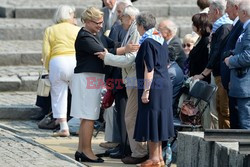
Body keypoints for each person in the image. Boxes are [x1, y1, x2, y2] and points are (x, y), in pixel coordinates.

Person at [95, 6, 149, 164]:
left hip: (133, 78)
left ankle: (138, 152)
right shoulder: (130, 30)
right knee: (129, 116)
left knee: (130, 116)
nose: (120, 18)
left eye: (123, 16)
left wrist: (107, 57)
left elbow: (129, 59)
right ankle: (135, 151)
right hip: (130, 78)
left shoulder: (135, 32)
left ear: (131, 19)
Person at [134, 12, 175, 167]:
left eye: (137, 26)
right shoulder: (160, 40)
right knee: (158, 121)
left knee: (152, 120)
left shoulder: (147, 42)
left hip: (154, 86)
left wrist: (146, 91)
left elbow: (148, 68)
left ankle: (154, 158)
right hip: (164, 84)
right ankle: (158, 158)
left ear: (141, 25)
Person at [70, 7, 105, 163]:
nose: (100, 26)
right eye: (97, 23)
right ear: (88, 22)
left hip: (91, 77)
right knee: (89, 116)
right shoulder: (85, 36)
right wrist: (126, 49)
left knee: (87, 117)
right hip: (87, 77)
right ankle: (87, 151)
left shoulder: (93, 34)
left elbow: (110, 44)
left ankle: (80, 150)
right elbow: (102, 51)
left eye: (102, 22)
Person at [193, 0, 233, 129]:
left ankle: (227, 138)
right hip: (217, 75)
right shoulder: (219, 27)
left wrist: (204, 73)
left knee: (224, 111)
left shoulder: (225, 27)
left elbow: (217, 53)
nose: (208, 14)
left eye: (209, 11)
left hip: (222, 75)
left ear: (216, 12)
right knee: (220, 108)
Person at [42, 5, 80, 137]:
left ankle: (63, 127)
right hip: (75, 61)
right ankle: (81, 125)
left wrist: (47, 67)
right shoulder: (77, 29)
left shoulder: (50, 30)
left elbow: (46, 52)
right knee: (78, 94)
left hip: (57, 61)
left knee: (58, 95)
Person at [224, 0, 250, 129]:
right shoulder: (246, 28)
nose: (237, 13)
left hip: (245, 84)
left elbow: (248, 55)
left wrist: (231, 61)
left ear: (244, 12)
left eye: (239, 10)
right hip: (240, 83)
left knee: (245, 123)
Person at [220, 0, 243, 129]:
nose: (226, 11)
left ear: (236, 7)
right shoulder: (237, 25)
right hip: (231, 81)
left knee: (239, 121)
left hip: (236, 80)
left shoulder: (242, 26)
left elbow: (240, 53)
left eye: (227, 7)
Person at [189, 13, 212, 84]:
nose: (192, 25)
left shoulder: (206, 41)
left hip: (202, 78)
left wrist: (201, 75)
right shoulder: (200, 38)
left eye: (194, 23)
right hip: (195, 75)